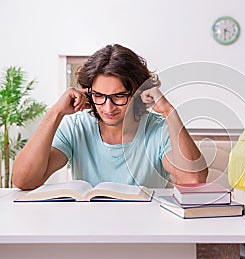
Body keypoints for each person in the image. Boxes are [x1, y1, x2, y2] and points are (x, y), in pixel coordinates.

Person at [12, 44, 208, 190]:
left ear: (139, 92)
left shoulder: (158, 130)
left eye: (119, 96)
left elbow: (194, 180)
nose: (108, 107)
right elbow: (23, 180)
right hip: (90, 231)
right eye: (99, 96)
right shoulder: (76, 127)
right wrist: (56, 113)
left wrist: (168, 111)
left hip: (146, 232)